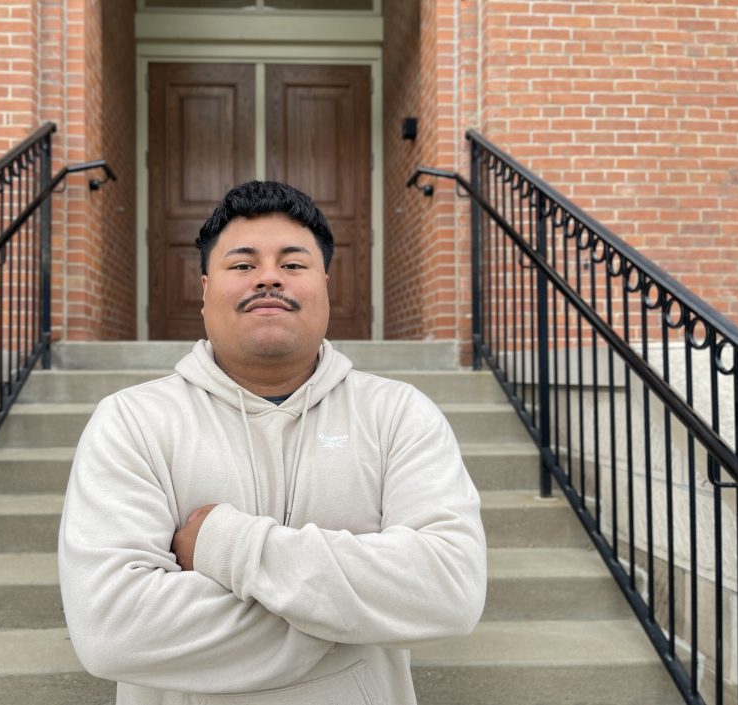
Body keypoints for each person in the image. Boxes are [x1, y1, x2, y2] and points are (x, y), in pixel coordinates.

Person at [58, 181, 486, 705]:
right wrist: (352, 615)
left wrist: (224, 543)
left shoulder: (397, 414)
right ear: (205, 289)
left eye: (293, 264)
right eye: (243, 264)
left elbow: (449, 591)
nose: (268, 278)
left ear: (324, 284)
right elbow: (112, 630)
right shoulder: (133, 421)